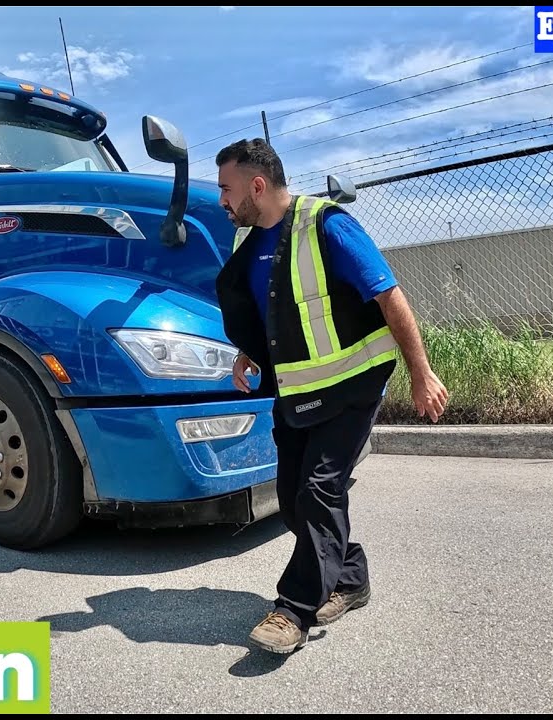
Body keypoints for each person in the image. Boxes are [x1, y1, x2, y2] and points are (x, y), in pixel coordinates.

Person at [212, 138, 448, 654]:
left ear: (257, 185)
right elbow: (272, 307)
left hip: (352, 384)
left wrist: (421, 372)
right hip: (297, 390)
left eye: (227, 189)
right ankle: (350, 576)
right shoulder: (246, 238)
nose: (222, 200)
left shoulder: (326, 225)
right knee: (295, 501)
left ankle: (293, 611)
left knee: (319, 490)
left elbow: (389, 294)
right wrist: (249, 351)